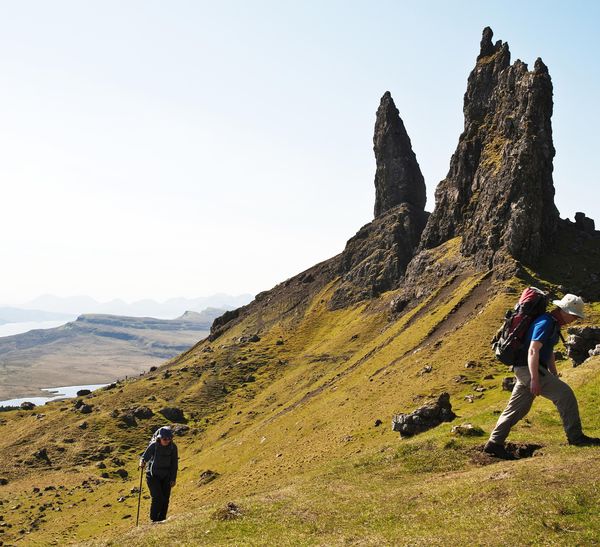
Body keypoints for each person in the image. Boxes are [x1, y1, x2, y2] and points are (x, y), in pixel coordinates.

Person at [485, 293, 600, 459]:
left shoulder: (552, 323)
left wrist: (553, 373)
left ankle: (494, 444)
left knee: (517, 408)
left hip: (526, 368)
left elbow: (549, 351)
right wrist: (535, 379)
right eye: (574, 315)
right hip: (528, 369)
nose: (575, 319)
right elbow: (533, 350)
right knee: (565, 394)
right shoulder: (546, 322)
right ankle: (576, 438)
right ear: (565, 311)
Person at [139, 426, 179, 522]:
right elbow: (144, 457)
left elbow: (174, 464)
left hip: (166, 476)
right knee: (157, 497)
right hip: (152, 475)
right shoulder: (154, 445)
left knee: (165, 499)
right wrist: (142, 462)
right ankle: (154, 520)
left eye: (169, 439)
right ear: (159, 438)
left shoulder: (173, 447)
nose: (167, 441)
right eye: (165, 439)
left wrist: (173, 479)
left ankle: (162, 520)